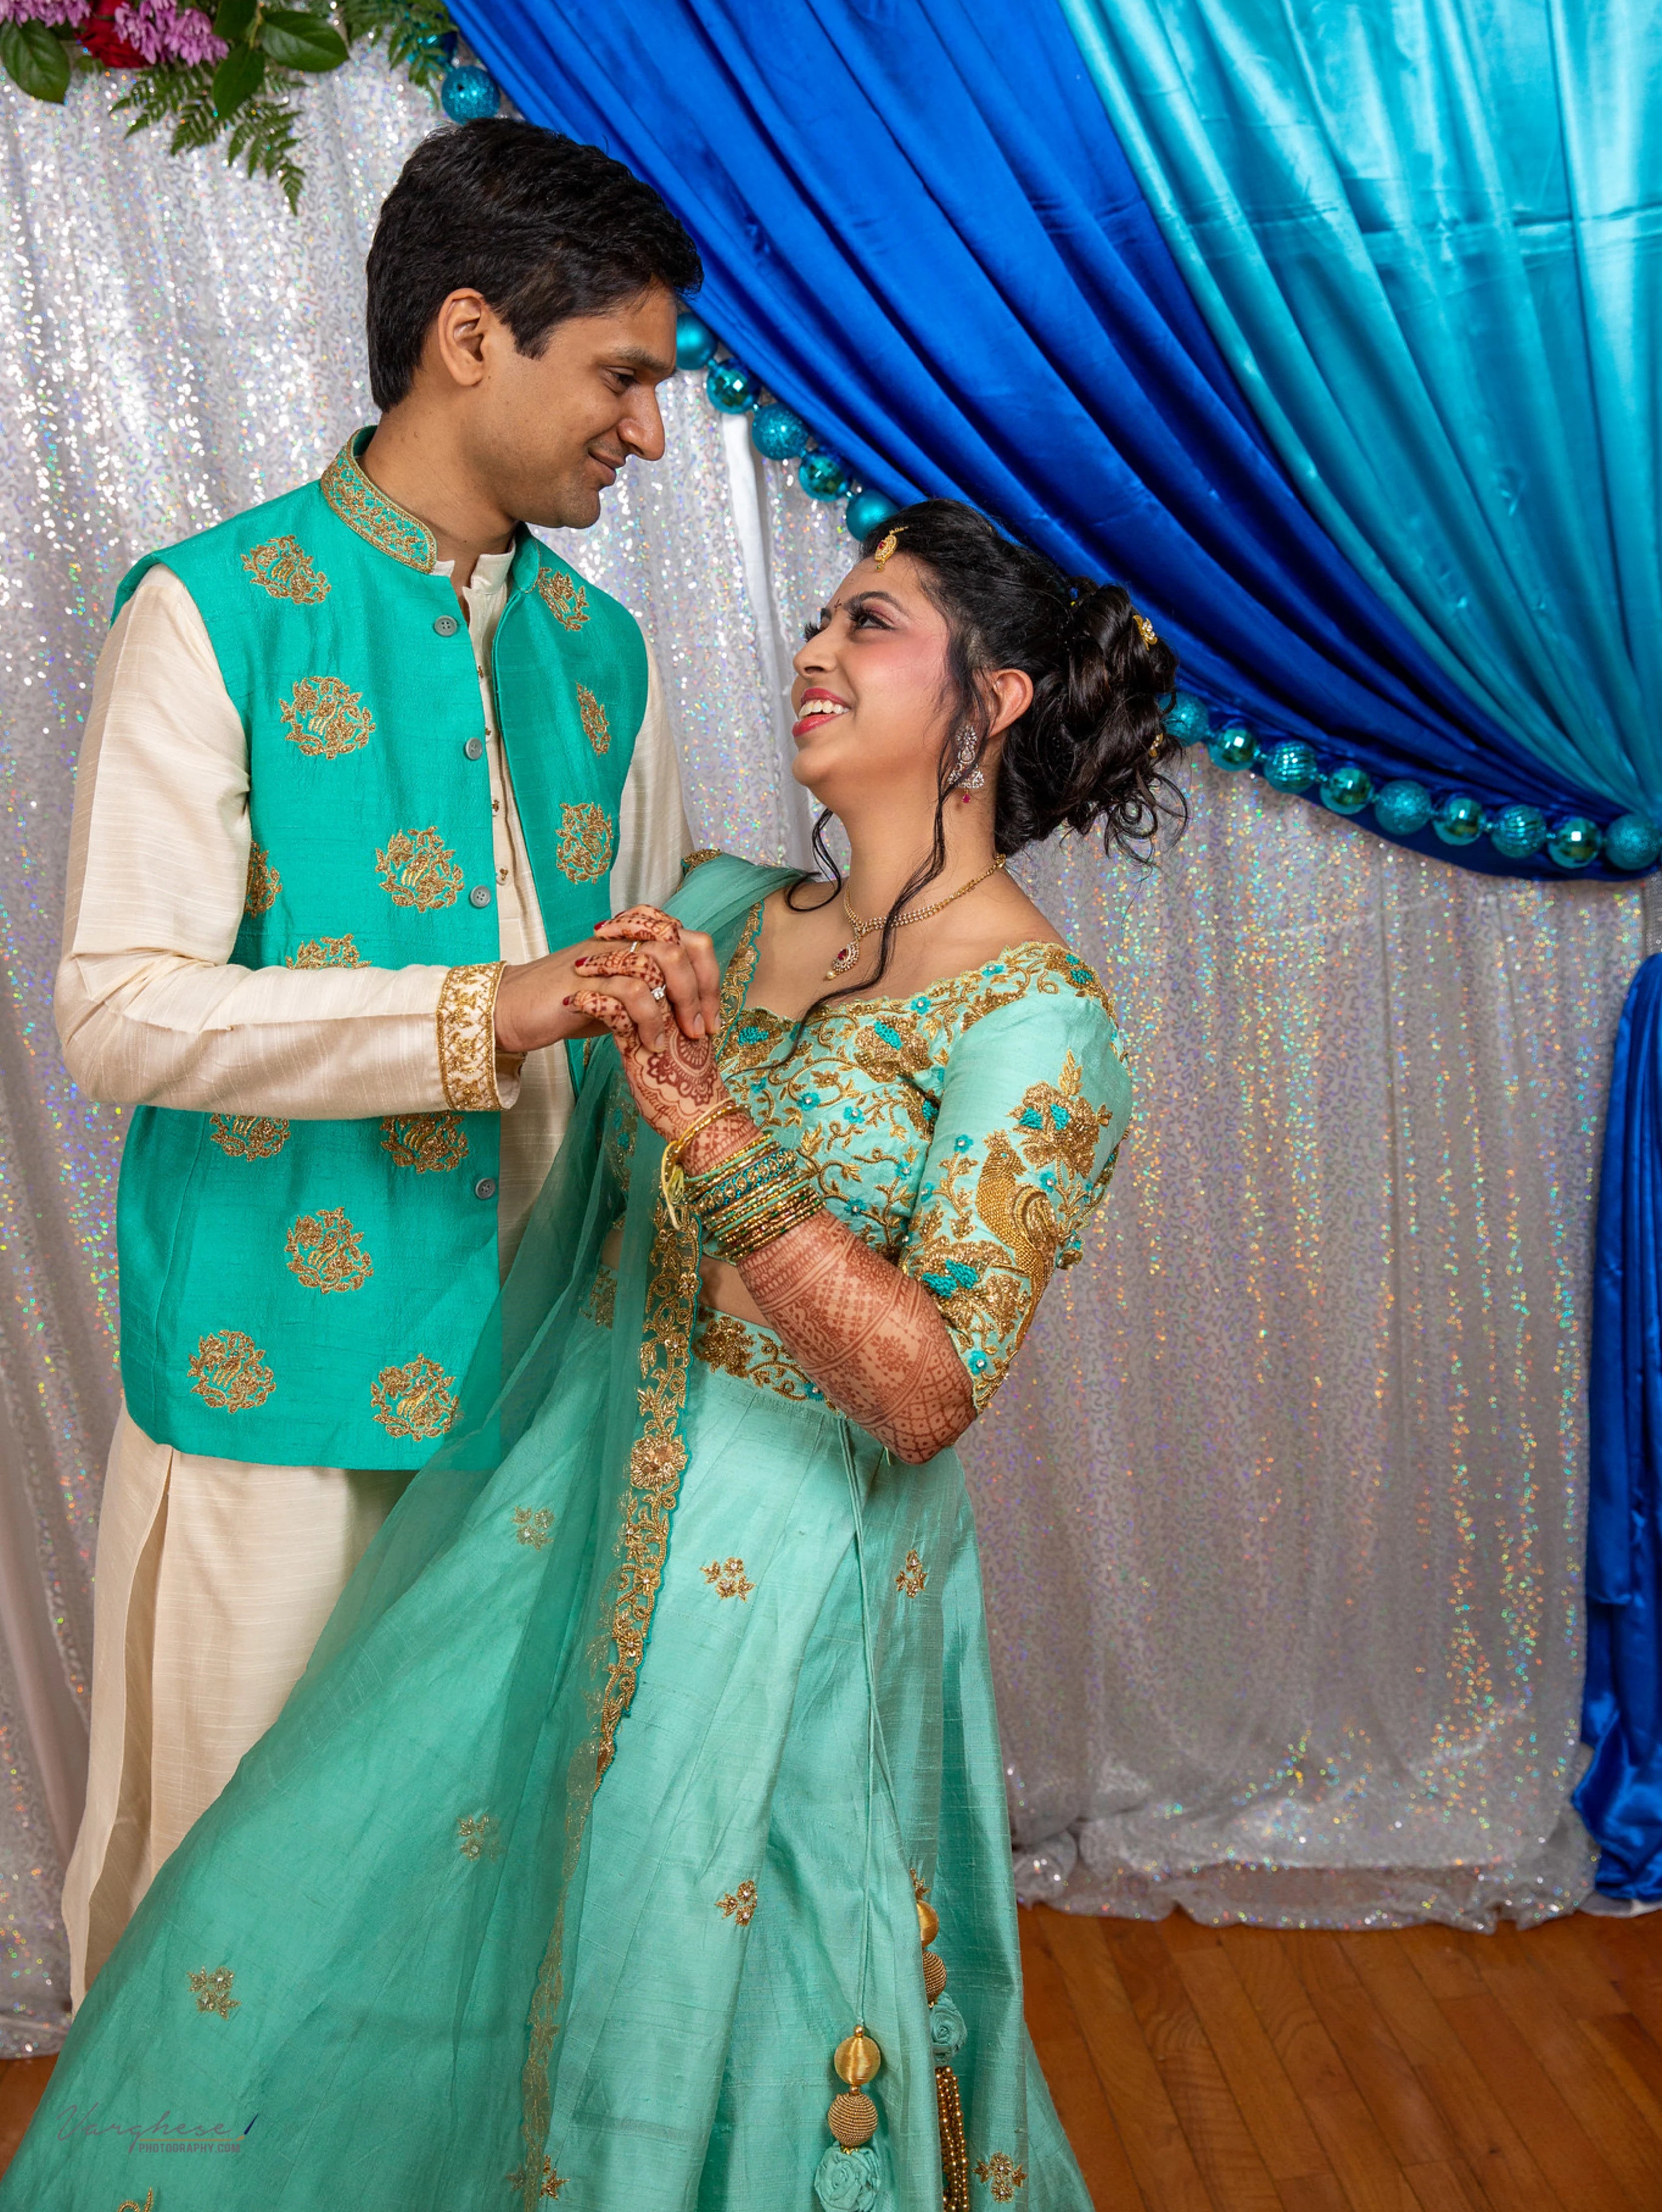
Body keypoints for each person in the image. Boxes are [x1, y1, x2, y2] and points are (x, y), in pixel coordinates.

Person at [5, 501, 1178, 2211]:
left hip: (785, 1595)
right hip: (544, 1519)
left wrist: (709, 1128)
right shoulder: (709, 910)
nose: (812, 650)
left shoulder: (1037, 1021)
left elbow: (928, 1389)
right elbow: (548, 1163)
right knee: (314, 1900)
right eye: (818, 618)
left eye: (870, 625)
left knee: (720, 2006)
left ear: (988, 706)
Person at [54, 117, 716, 2006]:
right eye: (623, 378)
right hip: (282, 1392)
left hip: (532, 1402)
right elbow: (119, 1008)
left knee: (474, 1936)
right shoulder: (215, 613)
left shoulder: (609, 653)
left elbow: (641, 1004)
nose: (645, 434)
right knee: (226, 1934)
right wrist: (477, 1012)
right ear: (469, 336)